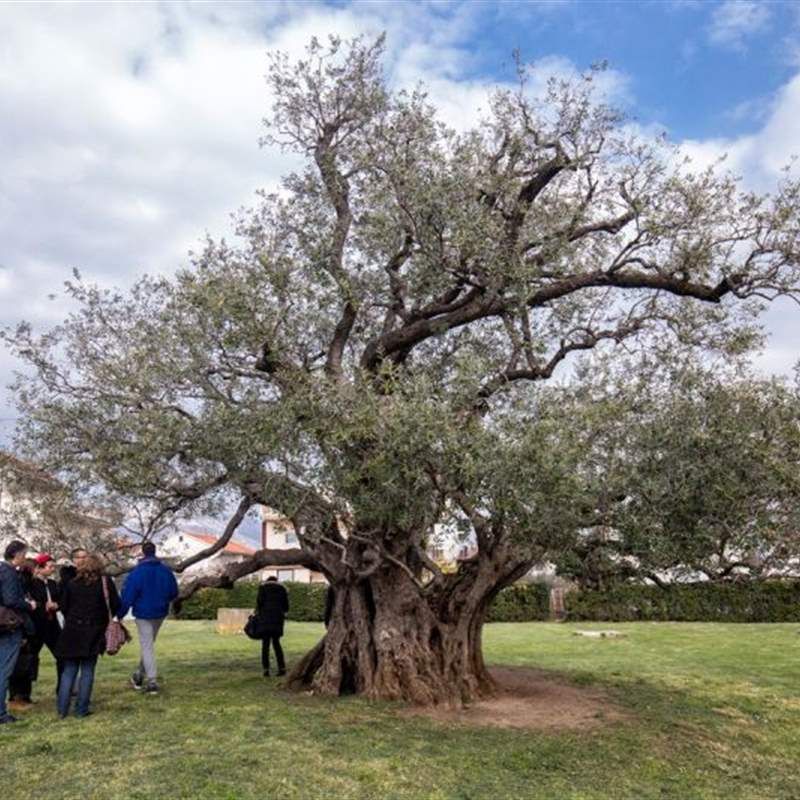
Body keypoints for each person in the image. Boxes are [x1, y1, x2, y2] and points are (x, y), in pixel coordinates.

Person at [55, 552, 119, 718]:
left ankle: (62, 709)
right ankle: (81, 708)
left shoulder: (72, 583)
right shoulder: (105, 583)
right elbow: (115, 605)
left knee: (68, 670)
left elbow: (64, 605)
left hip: (72, 630)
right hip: (94, 630)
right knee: (88, 670)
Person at [116, 541, 178, 695]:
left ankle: (152, 681)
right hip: (160, 612)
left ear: (143, 553)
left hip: (143, 613)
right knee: (149, 644)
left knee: (147, 646)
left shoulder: (137, 573)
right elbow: (174, 592)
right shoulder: (166, 571)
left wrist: (119, 615)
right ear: (155, 551)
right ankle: (138, 675)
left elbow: (128, 596)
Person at [0, 540, 36, 725]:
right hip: (8, 625)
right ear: (18, 554)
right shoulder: (8, 572)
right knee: (4, 670)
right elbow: (11, 600)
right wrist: (28, 604)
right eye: (24, 554)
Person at [30, 554, 64, 692]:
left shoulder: (53, 583)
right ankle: (22, 694)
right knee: (30, 658)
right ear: (39, 568)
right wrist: (42, 605)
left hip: (52, 625)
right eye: (50, 567)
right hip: (37, 626)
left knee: (62, 655)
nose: (52, 570)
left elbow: (62, 601)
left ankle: (62, 688)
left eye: (54, 567)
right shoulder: (31, 584)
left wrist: (57, 605)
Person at [7, 558, 38, 709]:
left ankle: (24, 696)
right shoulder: (21, 583)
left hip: (26, 627)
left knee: (27, 663)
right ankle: (16, 697)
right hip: (22, 627)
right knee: (20, 665)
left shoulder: (25, 584)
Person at [256, 576, 289, 677]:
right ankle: (281, 668)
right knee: (276, 644)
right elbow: (286, 606)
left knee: (265, 645)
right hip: (277, 620)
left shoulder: (262, 588)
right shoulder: (282, 589)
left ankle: (266, 669)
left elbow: (259, 603)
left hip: (265, 619)